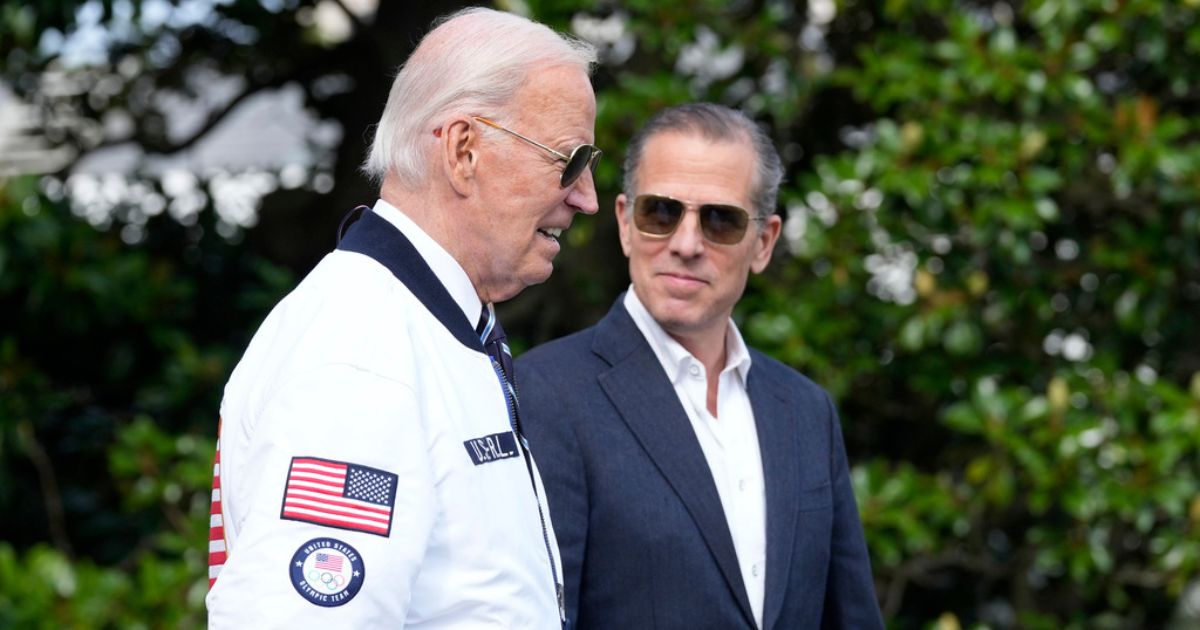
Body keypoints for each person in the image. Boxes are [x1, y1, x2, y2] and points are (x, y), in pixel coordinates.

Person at [204, 8, 601, 627]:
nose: (587, 196)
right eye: (570, 161)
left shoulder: (419, 324)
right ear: (464, 149)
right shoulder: (363, 353)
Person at [517, 103, 884, 629]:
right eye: (661, 213)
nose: (686, 245)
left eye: (720, 220)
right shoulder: (546, 394)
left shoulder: (805, 411)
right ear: (624, 223)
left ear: (764, 242)